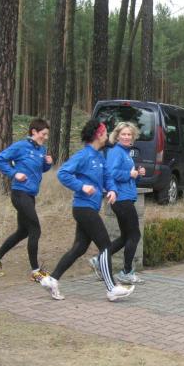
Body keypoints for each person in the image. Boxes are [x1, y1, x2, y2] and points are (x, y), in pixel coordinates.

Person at [50, 120, 134, 302]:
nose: (107, 135)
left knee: (79, 248)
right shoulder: (84, 155)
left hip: (90, 208)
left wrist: (113, 190)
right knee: (105, 246)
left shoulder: (99, 156)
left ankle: (52, 279)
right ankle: (111, 288)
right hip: (83, 208)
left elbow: (108, 177)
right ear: (98, 135)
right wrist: (81, 186)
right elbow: (63, 173)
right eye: (105, 132)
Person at [0, 118, 59, 298]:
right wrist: (14, 173)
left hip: (30, 195)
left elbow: (39, 169)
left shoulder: (41, 149)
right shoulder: (20, 146)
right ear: (34, 132)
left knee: (23, 231)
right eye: (43, 134)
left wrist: (47, 163)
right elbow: (0, 159)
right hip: (19, 193)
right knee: (35, 229)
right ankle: (35, 271)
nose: (45, 137)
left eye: (47, 135)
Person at [105, 121, 146, 285]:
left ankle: (99, 260)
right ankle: (126, 272)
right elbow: (111, 173)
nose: (127, 137)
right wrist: (130, 174)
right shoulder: (116, 152)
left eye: (129, 134)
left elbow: (129, 178)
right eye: (123, 134)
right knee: (135, 235)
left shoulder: (125, 153)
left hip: (126, 197)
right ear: (117, 136)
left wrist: (138, 174)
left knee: (125, 237)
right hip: (120, 198)